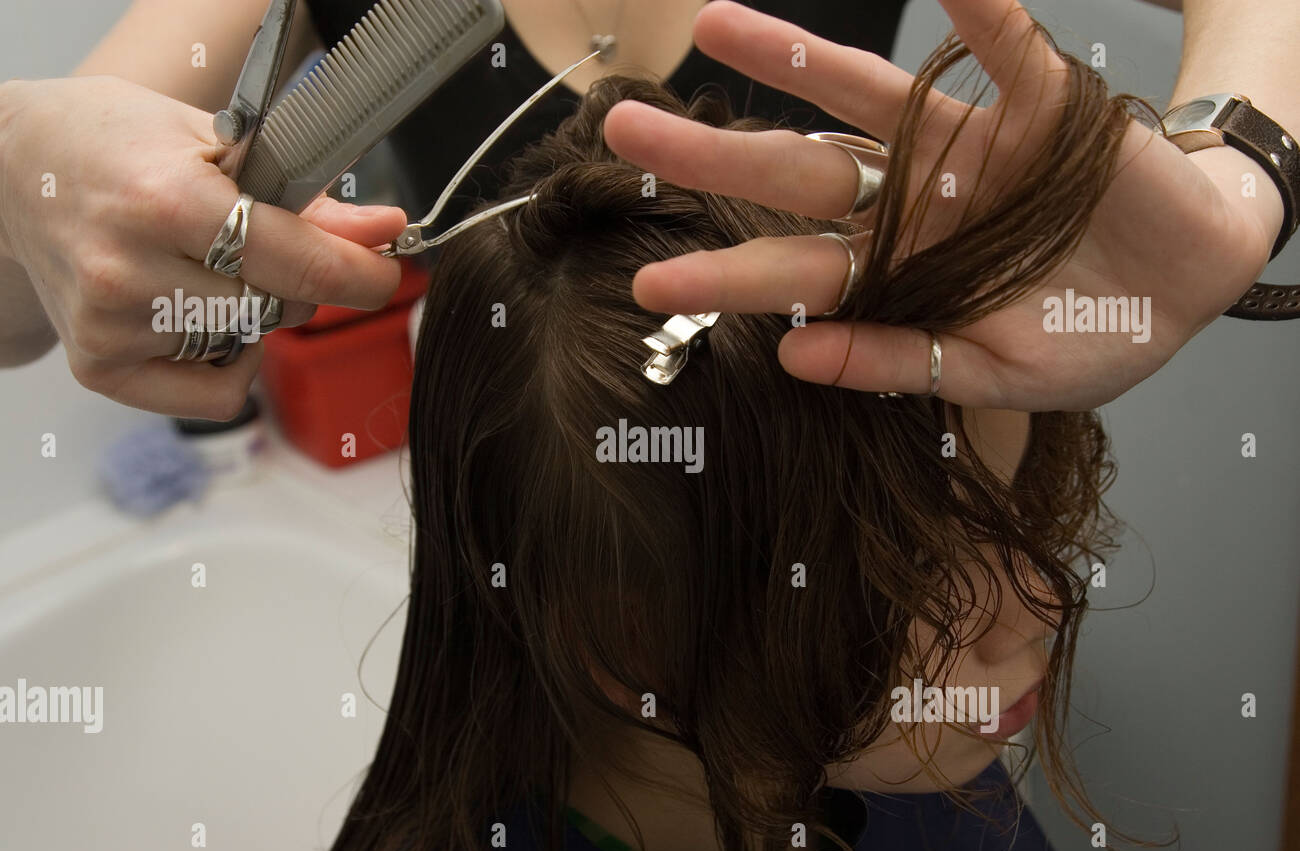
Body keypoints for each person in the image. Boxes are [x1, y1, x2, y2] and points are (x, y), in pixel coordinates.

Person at [313, 10, 1138, 851]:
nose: (1046, 600)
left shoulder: (911, 762)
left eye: (1008, 505)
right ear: (631, 638)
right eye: (923, 567)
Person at [1, 0, 1292, 418]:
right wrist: (22, 167)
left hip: (835, 531)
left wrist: (1234, 185)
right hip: (533, 542)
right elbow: (17, 311)